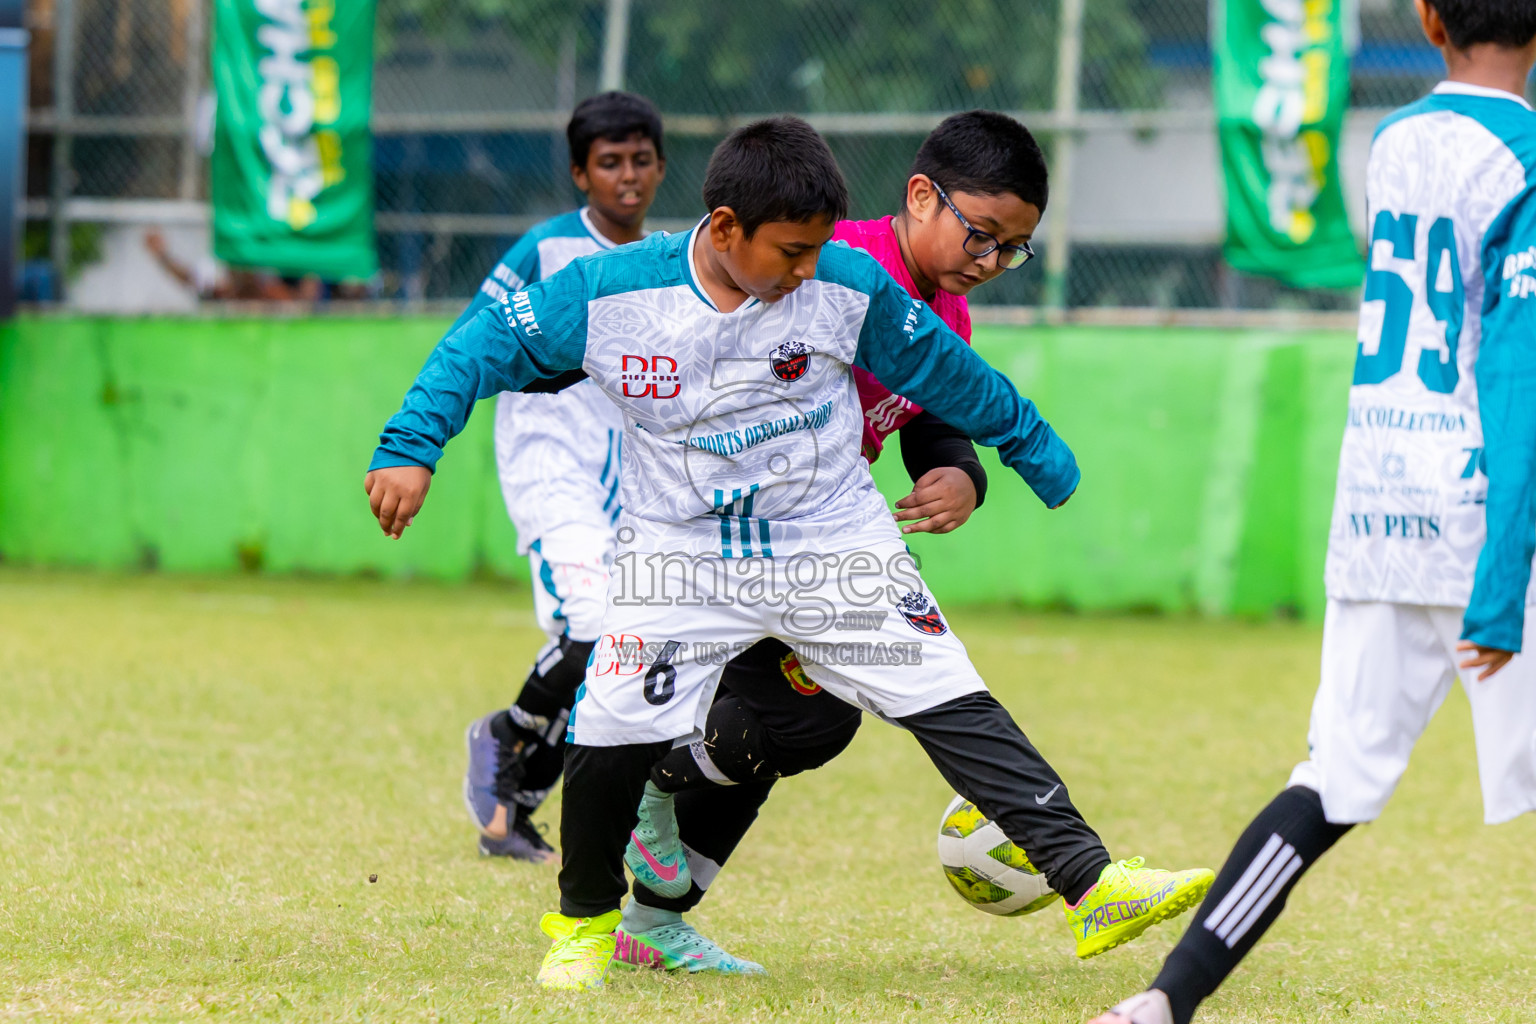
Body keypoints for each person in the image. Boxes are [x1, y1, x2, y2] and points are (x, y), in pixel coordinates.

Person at [365, 116, 1214, 992]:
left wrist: (1030, 450)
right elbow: (479, 345)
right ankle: (584, 927)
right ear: (727, 230)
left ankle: (1091, 884)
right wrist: (408, 445)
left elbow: (949, 381)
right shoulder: (612, 291)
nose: (809, 270)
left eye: (815, 251)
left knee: (942, 686)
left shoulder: (845, 282)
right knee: (612, 724)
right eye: (792, 251)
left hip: (828, 538)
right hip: (679, 550)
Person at [1090, 3, 1536, 1022]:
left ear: (1426, 19)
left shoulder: (1393, 143)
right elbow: (1518, 373)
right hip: (1491, 516)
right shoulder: (1527, 160)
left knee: (1330, 781)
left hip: (1381, 508)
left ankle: (1165, 1001)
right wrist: (1503, 588)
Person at [610, 110, 1070, 974]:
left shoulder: (949, 316)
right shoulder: (828, 260)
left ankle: (655, 915)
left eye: (1012, 249)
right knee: (798, 718)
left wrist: (960, 474)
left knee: (799, 719)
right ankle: (642, 783)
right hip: (727, 535)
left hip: (807, 543)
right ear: (922, 196)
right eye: (982, 236)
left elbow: (934, 417)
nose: (990, 261)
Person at [459, 90, 667, 861]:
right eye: (609, 163)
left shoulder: (668, 258)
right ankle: (505, 735)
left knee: (628, 653)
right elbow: (471, 342)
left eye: (640, 161)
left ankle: (511, 803)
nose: (627, 177)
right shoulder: (544, 252)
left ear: (659, 165)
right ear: (582, 173)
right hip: (549, 468)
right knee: (592, 626)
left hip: (632, 484)